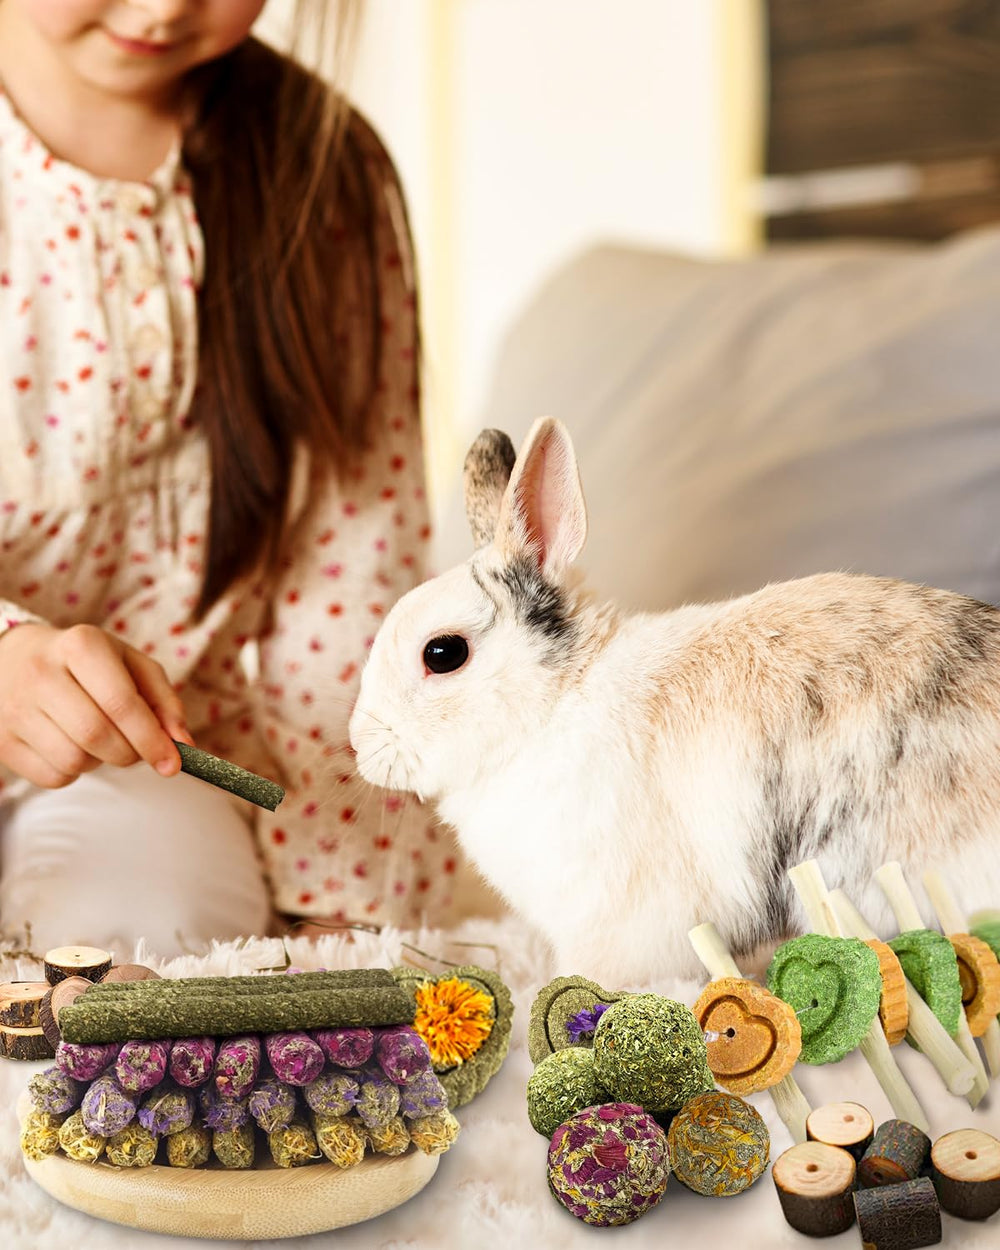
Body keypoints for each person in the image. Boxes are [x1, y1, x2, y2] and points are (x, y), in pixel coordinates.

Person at [0, 0, 476, 957]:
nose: (169, 5)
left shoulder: (323, 176)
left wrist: (341, 903)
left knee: (128, 961)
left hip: (153, 766)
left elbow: (348, 585)